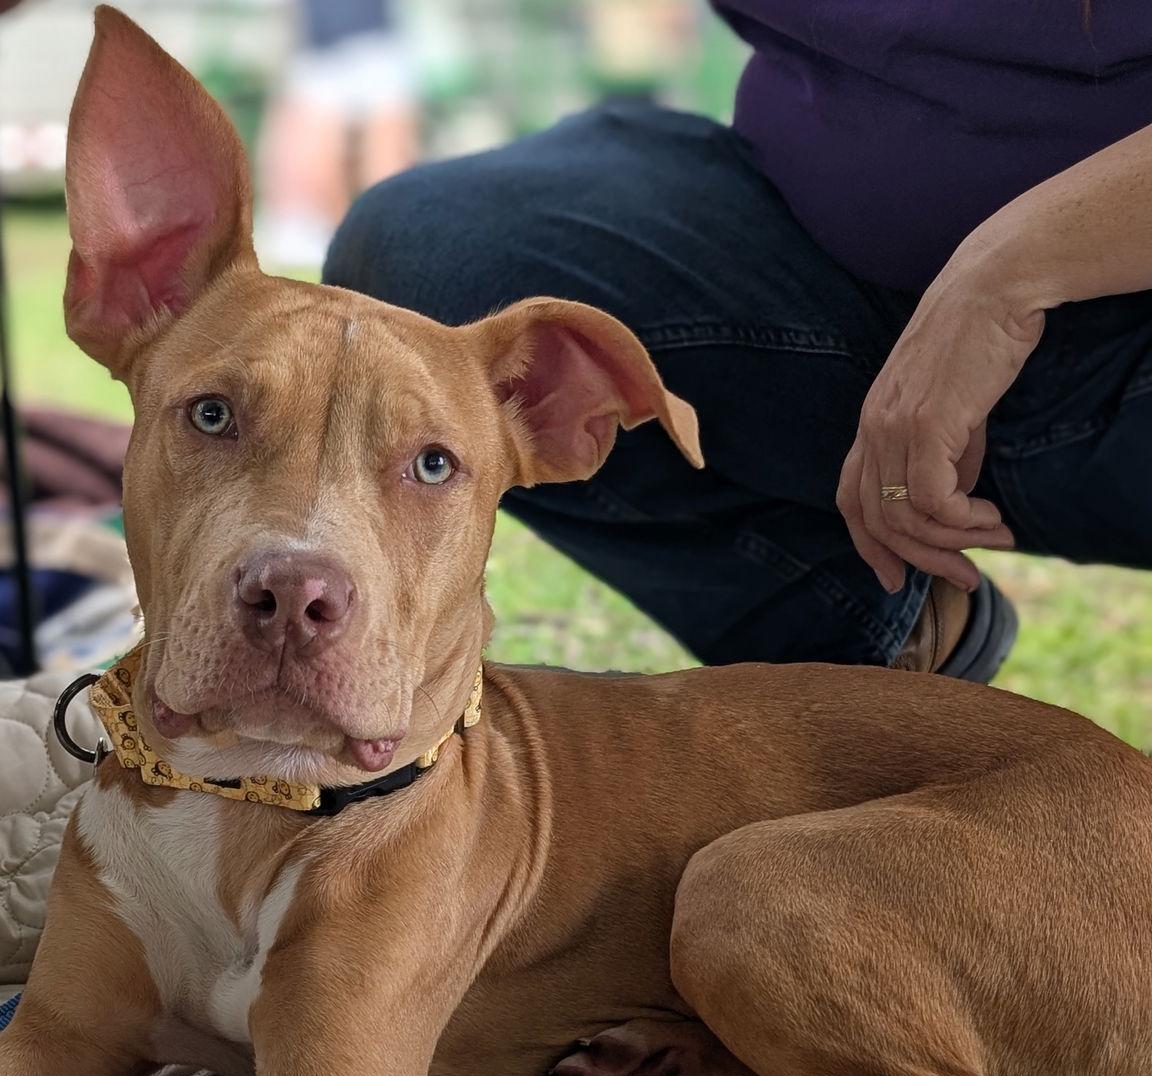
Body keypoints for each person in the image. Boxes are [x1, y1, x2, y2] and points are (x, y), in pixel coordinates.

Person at [324, 3, 1152, 681]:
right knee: (428, 257)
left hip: (1124, 341)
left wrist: (1004, 277)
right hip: (821, 268)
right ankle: (881, 648)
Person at [254, 0, 419, 271]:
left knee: (385, 166)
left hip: (371, 46)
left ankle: (380, 250)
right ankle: (352, 249)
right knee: (319, 166)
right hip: (324, 50)